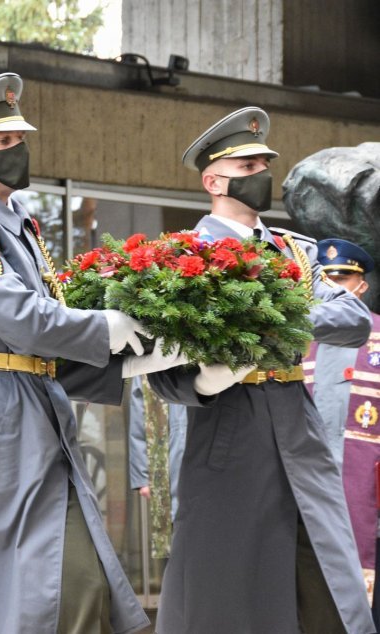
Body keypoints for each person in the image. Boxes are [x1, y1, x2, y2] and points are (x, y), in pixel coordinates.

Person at [0, 72, 187, 634]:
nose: (18, 150)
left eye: (19, 140)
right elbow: (20, 320)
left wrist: (126, 357)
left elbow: (33, 340)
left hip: (27, 407)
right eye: (3, 143)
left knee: (67, 582)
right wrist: (103, 328)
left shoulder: (16, 224)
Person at [148, 107, 375, 633]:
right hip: (230, 425)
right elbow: (162, 367)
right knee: (228, 582)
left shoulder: (294, 249)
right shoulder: (184, 255)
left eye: (263, 164)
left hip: (298, 422)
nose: (262, 175)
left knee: (324, 574)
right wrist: (208, 376)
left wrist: (273, 318)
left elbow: (352, 317)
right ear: (213, 179)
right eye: (248, 166)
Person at [303, 238, 380, 600]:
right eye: (326, 277)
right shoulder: (296, 340)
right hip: (310, 487)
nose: (333, 285)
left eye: (343, 278)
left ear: (361, 285)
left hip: (367, 490)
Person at [127, 376, 187, 558]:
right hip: (170, 463)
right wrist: (142, 476)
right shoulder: (152, 360)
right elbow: (139, 412)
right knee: (176, 538)